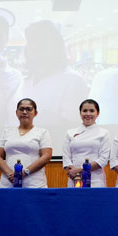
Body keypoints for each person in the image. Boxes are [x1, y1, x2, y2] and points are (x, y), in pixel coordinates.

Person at [20, 20, 88, 151]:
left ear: (55, 45)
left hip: (53, 155)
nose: (35, 46)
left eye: (42, 41)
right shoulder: (25, 80)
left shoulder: (73, 80)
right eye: (32, 41)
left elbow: (72, 131)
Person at [0, 98, 53, 188]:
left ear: (35, 113)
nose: (25, 112)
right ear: (16, 112)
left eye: (29, 109)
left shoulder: (42, 132)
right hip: (8, 183)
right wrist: (11, 174)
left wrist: (25, 172)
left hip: (34, 184)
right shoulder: (7, 132)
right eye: (21, 109)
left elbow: (46, 156)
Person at [62, 99, 111, 188]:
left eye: (92, 111)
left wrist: (80, 169)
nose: (88, 114)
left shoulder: (103, 133)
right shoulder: (70, 132)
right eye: (85, 111)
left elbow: (103, 159)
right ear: (80, 113)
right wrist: (73, 172)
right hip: (74, 178)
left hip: (95, 180)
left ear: (98, 113)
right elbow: (66, 157)